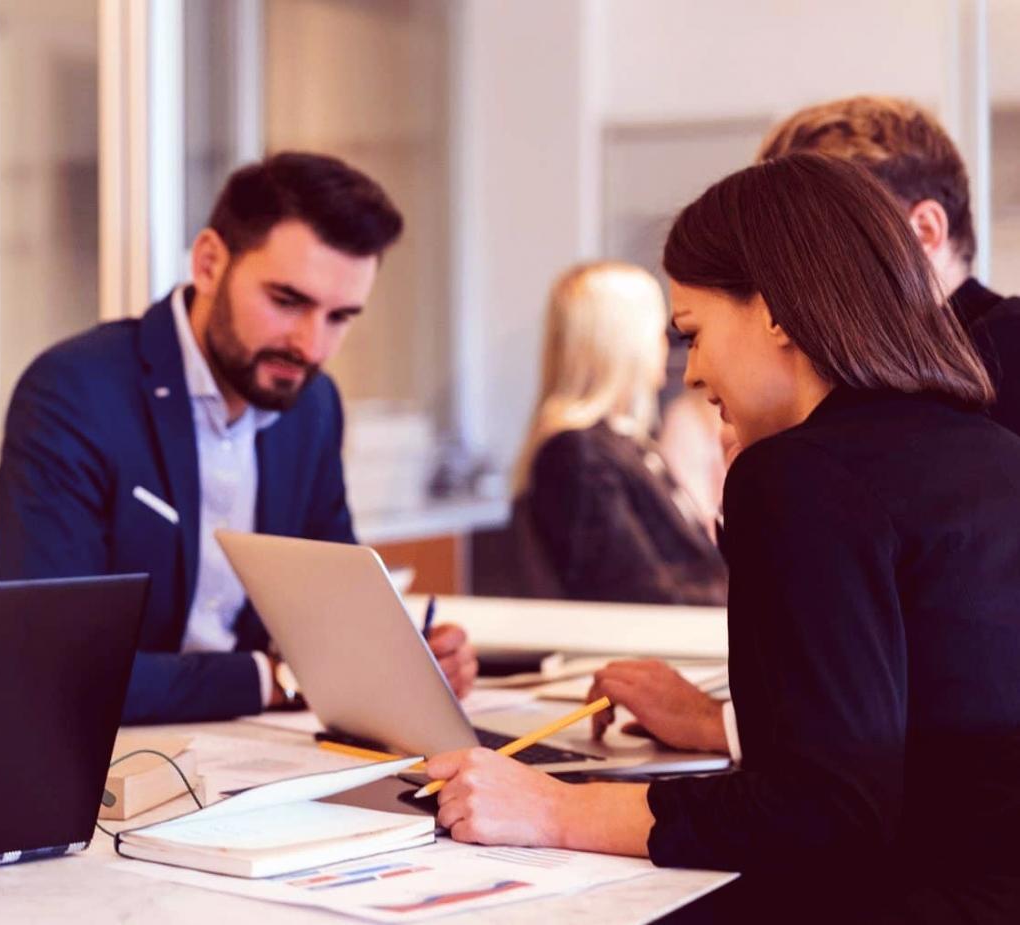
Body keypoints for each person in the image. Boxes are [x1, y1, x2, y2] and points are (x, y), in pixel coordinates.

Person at [422, 154, 1020, 922]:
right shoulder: (992, 450)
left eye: (693, 333)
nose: (693, 372)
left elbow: (819, 810)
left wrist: (551, 808)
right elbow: (920, 734)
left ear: (773, 313)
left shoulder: (800, 473)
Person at [0, 152, 478, 725]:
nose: (311, 346)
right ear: (208, 264)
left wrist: (410, 660)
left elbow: (336, 612)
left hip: (260, 755)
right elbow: (55, 667)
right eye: (287, 301)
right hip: (117, 763)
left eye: (340, 317)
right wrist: (269, 679)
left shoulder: (312, 407)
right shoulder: (76, 394)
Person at [760, 95, 1020, 436]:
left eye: (822, 234)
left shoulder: (1008, 348)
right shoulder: (872, 379)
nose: (796, 266)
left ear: (925, 230)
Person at [509, 261, 726, 605]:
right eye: (657, 332)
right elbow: (635, 592)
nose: (665, 347)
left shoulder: (626, 444)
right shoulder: (578, 454)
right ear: (623, 346)